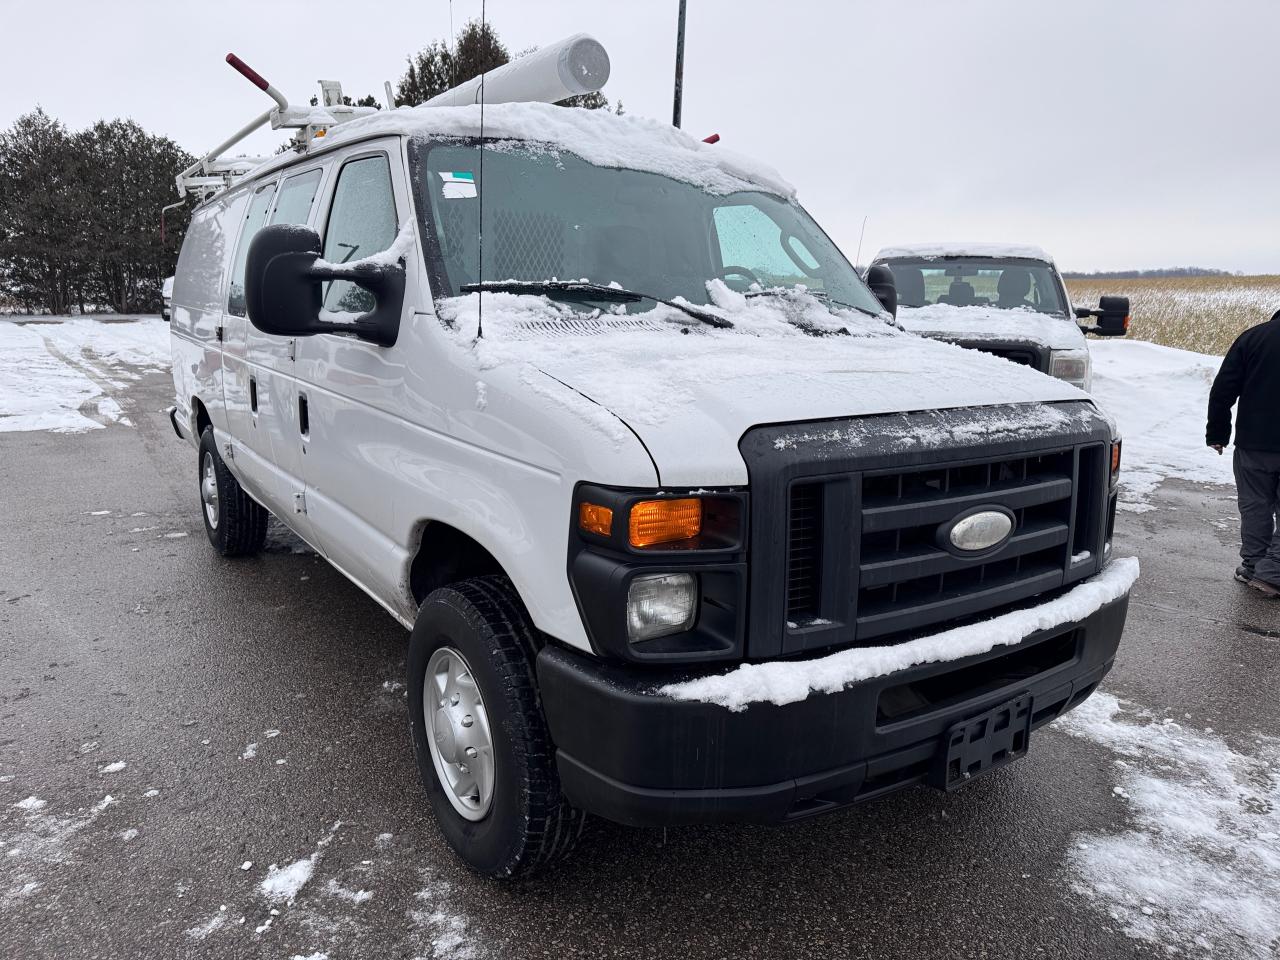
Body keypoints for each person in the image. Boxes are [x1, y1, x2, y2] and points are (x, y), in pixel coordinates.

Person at [1206, 308, 1280, 597]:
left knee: (1254, 505)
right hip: (1255, 444)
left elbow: (1223, 390)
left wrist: (1217, 434)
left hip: (1254, 445)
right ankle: (1272, 573)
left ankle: (1254, 566)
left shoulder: (1253, 337)